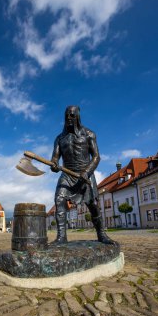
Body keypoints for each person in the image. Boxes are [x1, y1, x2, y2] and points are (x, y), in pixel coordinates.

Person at [51, 105, 113, 244]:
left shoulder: (89, 134)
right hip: (67, 175)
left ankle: (102, 235)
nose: (69, 118)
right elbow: (55, 158)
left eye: (72, 115)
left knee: (93, 205)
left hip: (85, 174)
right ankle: (61, 237)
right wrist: (54, 164)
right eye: (66, 115)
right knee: (59, 200)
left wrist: (87, 171)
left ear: (78, 116)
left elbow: (96, 157)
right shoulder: (60, 138)